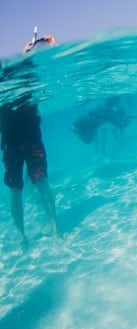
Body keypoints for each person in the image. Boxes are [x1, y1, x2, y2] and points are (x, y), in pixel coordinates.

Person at [1, 33, 60, 250]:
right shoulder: (5, 74)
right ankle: (21, 236)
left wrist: (46, 45)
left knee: (41, 182)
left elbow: (51, 55)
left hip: (31, 136)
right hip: (10, 139)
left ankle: (55, 230)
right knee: (15, 189)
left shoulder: (28, 66)